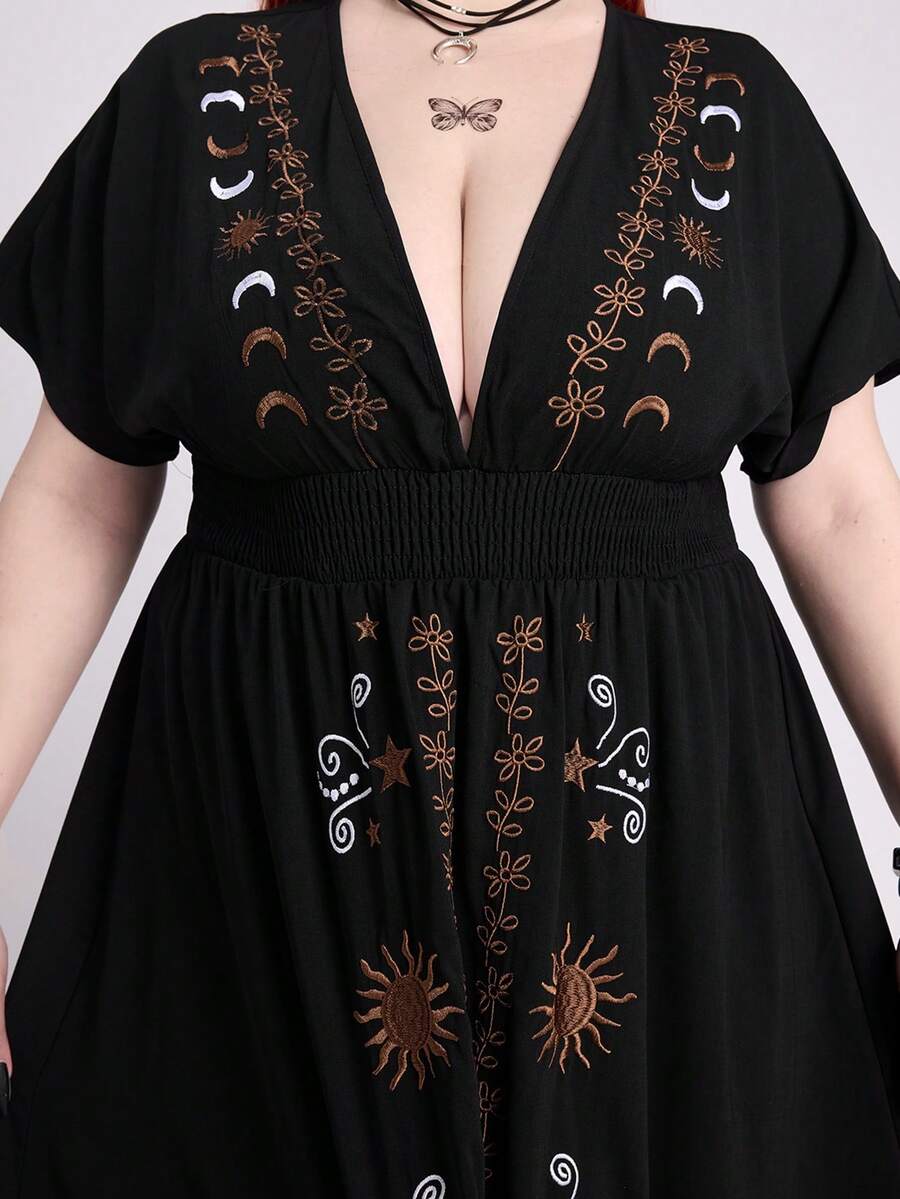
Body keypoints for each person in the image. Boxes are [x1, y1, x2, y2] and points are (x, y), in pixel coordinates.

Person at [1, 0, 899, 1193]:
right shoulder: (193, 93)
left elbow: (843, 506)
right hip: (256, 882)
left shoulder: (734, 108)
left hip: (666, 871)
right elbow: (76, 499)